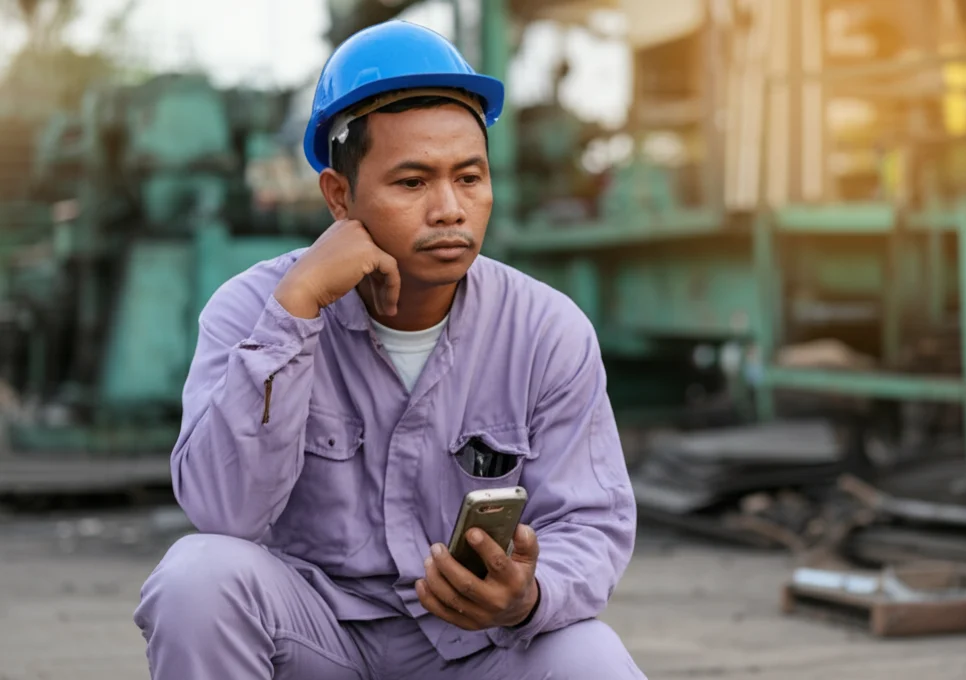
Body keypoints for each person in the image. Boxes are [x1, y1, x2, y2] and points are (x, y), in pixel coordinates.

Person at [133, 20, 643, 680]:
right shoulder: (251, 310)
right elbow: (221, 514)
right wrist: (297, 308)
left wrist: (527, 596)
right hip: (318, 642)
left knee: (590, 657)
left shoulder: (545, 330)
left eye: (469, 177)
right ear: (340, 197)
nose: (450, 209)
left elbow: (590, 522)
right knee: (195, 579)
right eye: (412, 183)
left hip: (476, 649)